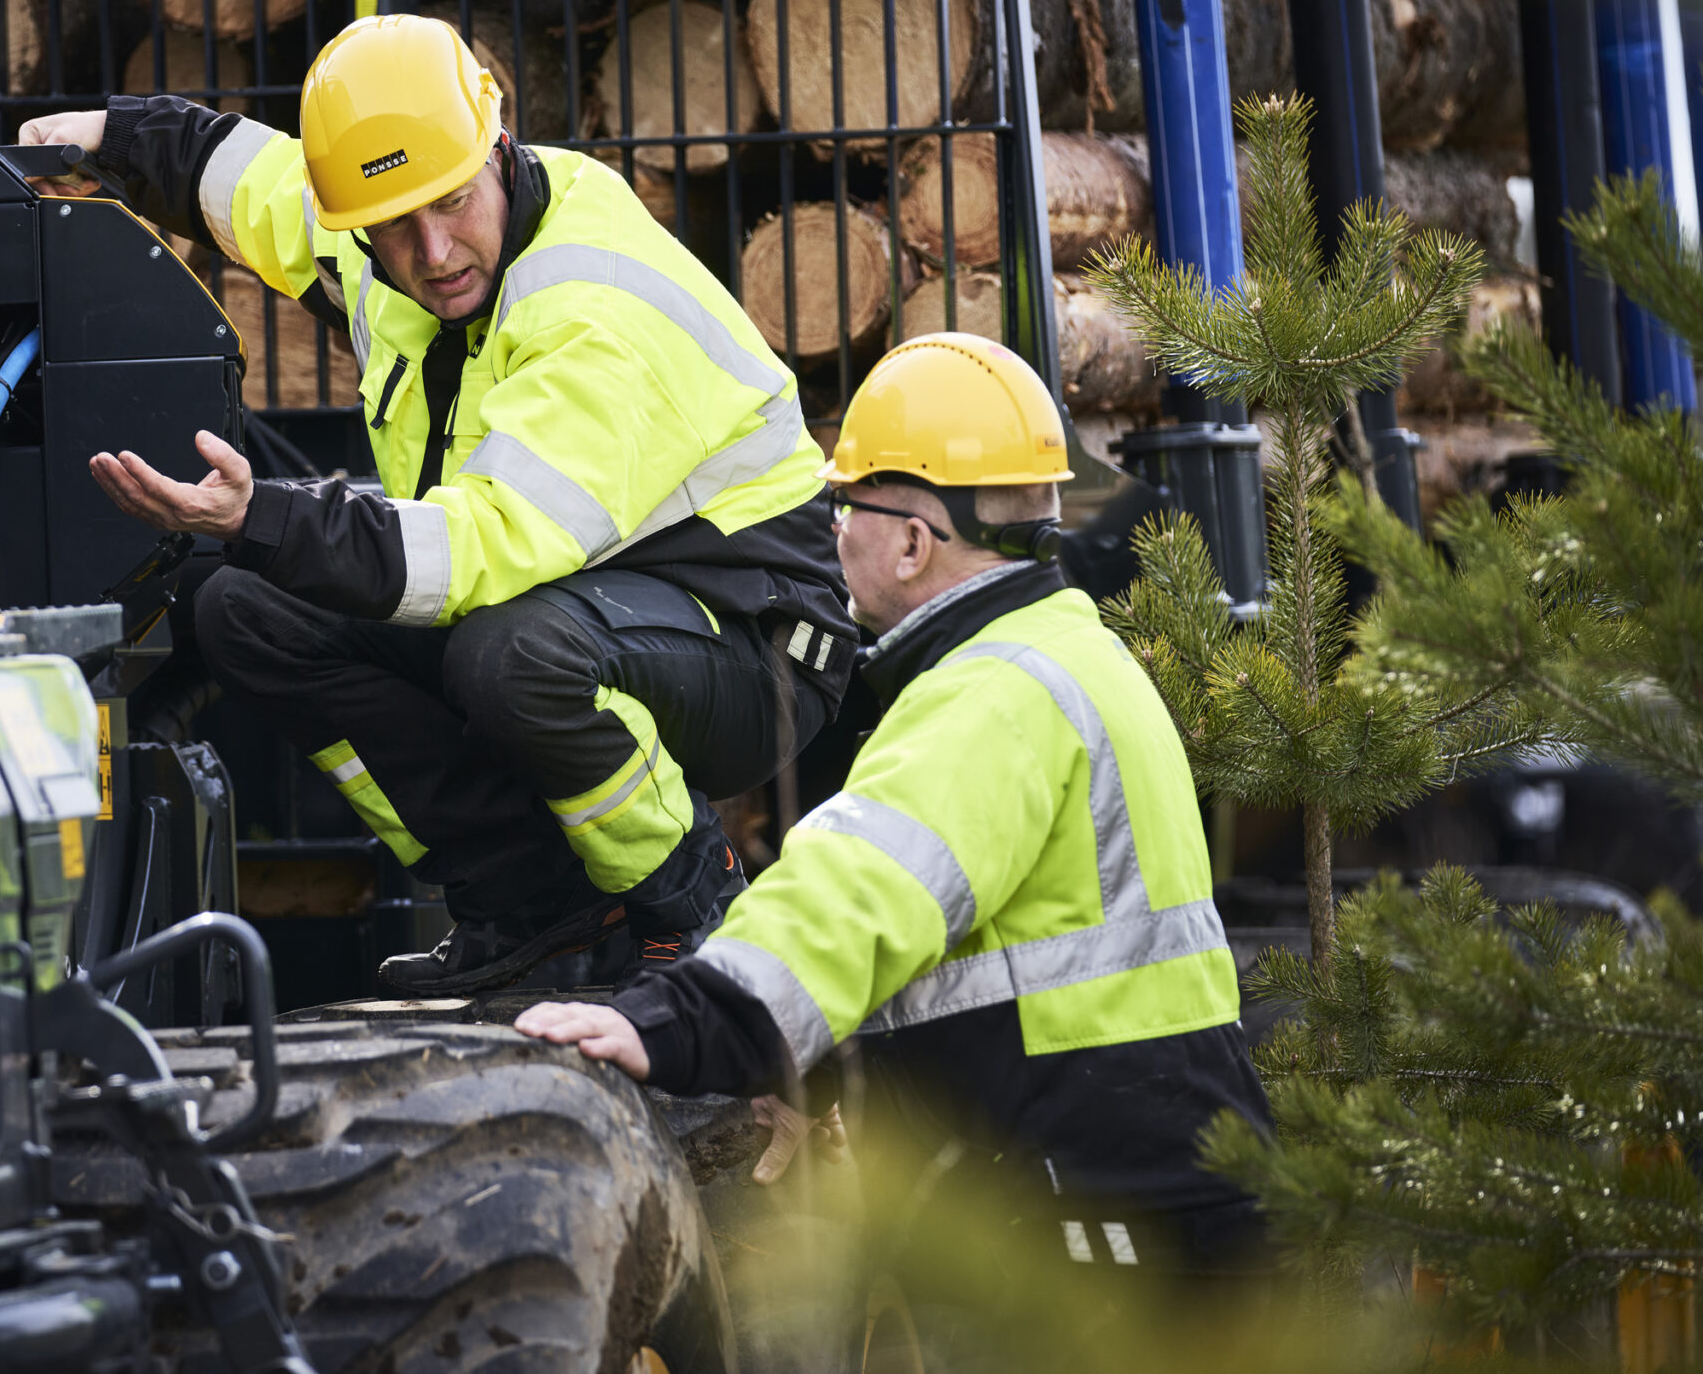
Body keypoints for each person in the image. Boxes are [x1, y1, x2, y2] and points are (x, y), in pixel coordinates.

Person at [19, 15, 854, 994]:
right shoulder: (385, 237)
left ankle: (686, 906)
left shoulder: (591, 307)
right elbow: (254, 184)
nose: (434, 250)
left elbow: (475, 552)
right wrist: (110, 136)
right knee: (247, 608)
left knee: (511, 654)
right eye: (395, 225)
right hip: (577, 595)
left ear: (498, 148)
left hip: (756, 643)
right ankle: (530, 903)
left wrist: (261, 517)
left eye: (453, 203)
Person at [515, 331, 1274, 1281]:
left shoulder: (992, 693)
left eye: (847, 505)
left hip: (1113, 1225)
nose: (834, 533)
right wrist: (823, 1063)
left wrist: (678, 1022)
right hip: (1166, 1190)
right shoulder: (1072, 652)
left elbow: (858, 891)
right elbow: (1003, 958)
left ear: (914, 541)